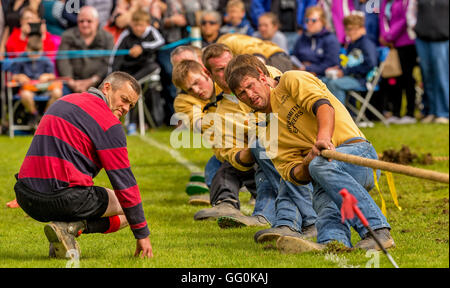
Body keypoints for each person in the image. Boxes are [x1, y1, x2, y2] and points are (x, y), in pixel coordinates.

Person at [225, 61, 393, 253]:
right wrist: (308, 160)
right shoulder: (266, 132)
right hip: (325, 174)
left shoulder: (290, 80)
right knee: (324, 198)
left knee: (319, 167)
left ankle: (377, 232)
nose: (250, 95)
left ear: (262, 78)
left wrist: (323, 140)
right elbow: (293, 174)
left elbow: (323, 106)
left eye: (250, 86)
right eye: (242, 94)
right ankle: (333, 244)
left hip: (357, 156)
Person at [13, 71, 153, 259]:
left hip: (25, 195)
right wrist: (142, 234)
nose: (127, 108)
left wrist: (31, 190)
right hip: (62, 198)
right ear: (107, 87)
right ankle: (71, 229)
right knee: (131, 208)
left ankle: (61, 237)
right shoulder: (109, 123)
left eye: (131, 105)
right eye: (124, 99)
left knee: (86, 193)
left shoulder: (64, 101)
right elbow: (124, 182)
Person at [203, 50, 318, 240]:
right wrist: (254, 147)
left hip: (303, 144)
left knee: (266, 150)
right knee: (257, 153)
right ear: (211, 75)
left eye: (230, 64)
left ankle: (286, 219)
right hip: (261, 160)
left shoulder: (271, 75)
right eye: (221, 70)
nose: (231, 72)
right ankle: (284, 220)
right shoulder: (219, 113)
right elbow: (231, 155)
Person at [57, 6, 114, 94]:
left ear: (97, 22)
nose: (85, 24)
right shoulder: (67, 36)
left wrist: (91, 81)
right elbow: (62, 60)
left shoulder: (107, 38)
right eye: (81, 21)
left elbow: (108, 62)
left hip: (98, 83)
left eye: (89, 21)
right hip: (71, 83)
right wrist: (71, 82)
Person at [323, 14, 377, 105]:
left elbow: (370, 65)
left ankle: (340, 115)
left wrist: (345, 72)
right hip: (351, 76)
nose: (350, 32)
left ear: (362, 29)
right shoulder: (352, 44)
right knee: (324, 81)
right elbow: (348, 63)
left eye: (353, 29)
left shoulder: (366, 43)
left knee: (334, 84)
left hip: (363, 79)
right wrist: (339, 69)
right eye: (347, 29)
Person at [10, 35, 63, 129]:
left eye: (37, 53)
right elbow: (13, 75)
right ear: (27, 48)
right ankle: (33, 114)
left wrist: (47, 76)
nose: (34, 56)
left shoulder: (46, 60)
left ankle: (45, 117)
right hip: (28, 89)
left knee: (57, 92)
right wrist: (19, 76)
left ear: (42, 49)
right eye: (32, 52)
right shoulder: (21, 59)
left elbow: (53, 75)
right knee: (25, 95)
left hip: (44, 88)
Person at [379, 0, 418, 125]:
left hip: (406, 44)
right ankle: (396, 112)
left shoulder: (405, 2)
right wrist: (385, 37)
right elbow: (383, 19)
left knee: (407, 79)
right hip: (391, 46)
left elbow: (404, 19)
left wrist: (389, 36)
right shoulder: (384, 2)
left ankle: (410, 112)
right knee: (394, 79)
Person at [413, 0, 449, 124]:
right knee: (427, 77)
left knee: (441, 76)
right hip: (422, 39)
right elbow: (411, 13)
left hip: (442, 39)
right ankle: (431, 111)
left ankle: (443, 112)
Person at [291, 6, 341, 77]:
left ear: (322, 22)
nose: (309, 23)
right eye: (307, 20)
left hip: (321, 76)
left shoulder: (330, 39)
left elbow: (331, 64)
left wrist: (308, 68)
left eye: (313, 20)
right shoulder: (302, 38)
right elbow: (294, 57)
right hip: (301, 73)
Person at [250, 0, 317, 52]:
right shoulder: (256, 35)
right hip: (273, 30)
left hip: (296, 32)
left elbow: (311, 5)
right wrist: (264, 23)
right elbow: (257, 5)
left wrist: (304, 26)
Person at [217, 33, 294, 72]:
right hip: (277, 58)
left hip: (274, 59)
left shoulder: (229, 41)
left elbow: (254, 51)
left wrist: (260, 70)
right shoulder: (233, 40)